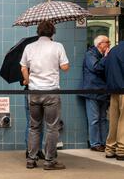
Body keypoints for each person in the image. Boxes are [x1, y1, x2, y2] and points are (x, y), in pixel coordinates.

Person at [20, 20, 70, 170]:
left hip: (34, 92)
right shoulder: (58, 46)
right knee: (52, 127)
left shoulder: (29, 47)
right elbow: (65, 67)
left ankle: (31, 159)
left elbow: (23, 67)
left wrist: (28, 80)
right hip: (51, 92)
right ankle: (49, 161)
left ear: (38, 32)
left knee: (34, 126)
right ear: (52, 33)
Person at [80, 35, 110, 152]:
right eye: (107, 42)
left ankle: (104, 142)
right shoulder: (90, 54)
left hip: (102, 91)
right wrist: (106, 57)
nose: (109, 45)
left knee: (103, 118)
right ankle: (95, 143)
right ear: (99, 44)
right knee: (94, 119)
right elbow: (96, 67)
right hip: (92, 91)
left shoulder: (101, 55)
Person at [95, 41, 124, 160]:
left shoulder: (113, 51)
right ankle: (122, 150)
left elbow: (100, 67)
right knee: (123, 120)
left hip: (113, 90)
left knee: (114, 120)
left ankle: (110, 148)